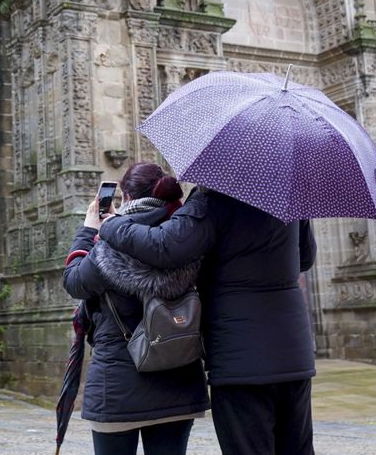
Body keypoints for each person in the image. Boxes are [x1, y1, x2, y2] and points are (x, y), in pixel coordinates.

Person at [100, 187, 316, 455]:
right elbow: (305, 258)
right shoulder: (288, 196)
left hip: (241, 358)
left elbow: (164, 246)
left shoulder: (214, 197)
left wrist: (111, 225)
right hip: (294, 352)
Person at [62, 162, 209, 455]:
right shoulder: (187, 238)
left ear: (126, 196)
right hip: (177, 381)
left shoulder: (111, 242)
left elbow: (74, 281)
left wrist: (89, 229)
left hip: (118, 387)